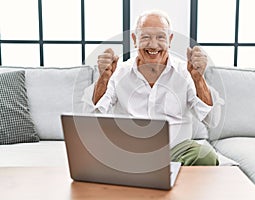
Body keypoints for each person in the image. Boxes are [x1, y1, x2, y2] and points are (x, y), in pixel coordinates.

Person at [82, 10, 223, 166]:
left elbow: (212, 120)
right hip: (129, 151)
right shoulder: (119, 72)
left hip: (176, 152)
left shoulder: (186, 72)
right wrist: (103, 79)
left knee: (205, 156)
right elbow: (92, 118)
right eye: (146, 37)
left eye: (160, 37)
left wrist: (198, 79)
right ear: (135, 40)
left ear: (170, 39)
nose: (153, 44)